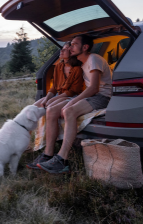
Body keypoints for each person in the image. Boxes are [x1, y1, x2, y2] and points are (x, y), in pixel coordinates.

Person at [29, 34, 113, 174]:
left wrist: (72, 102)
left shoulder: (93, 59)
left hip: (102, 97)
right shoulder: (82, 62)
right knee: (52, 110)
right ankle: (48, 154)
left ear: (85, 47)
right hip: (91, 95)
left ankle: (62, 160)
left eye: (74, 44)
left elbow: (94, 88)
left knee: (69, 111)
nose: (70, 47)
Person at [33, 42, 84, 109]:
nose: (61, 50)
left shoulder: (77, 69)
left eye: (65, 49)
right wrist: (46, 98)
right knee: (33, 107)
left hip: (71, 97)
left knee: (49, 107)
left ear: (72, 52)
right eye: (62, 48)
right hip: (58, 95)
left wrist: (53, 99)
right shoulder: (58, 66)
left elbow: (73, 91)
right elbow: (54, 87)